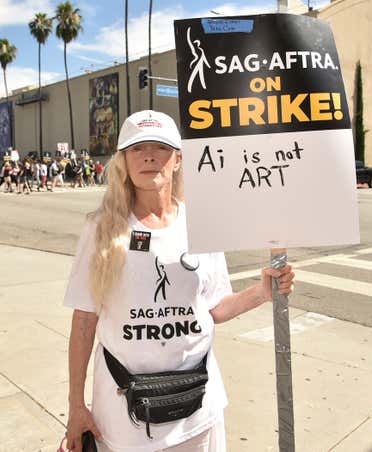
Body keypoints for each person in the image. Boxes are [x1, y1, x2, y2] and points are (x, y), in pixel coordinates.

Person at [63, 110, 295, 452]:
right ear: (124, 160)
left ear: (178, 159)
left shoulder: (200, 223)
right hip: (125, 421)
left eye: (161, 147)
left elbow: (215, 307)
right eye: (137, 148)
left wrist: (263, 291)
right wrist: (75, 404)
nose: (149, 155)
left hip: (197, 414)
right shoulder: (101, 228)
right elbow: (84, 320)